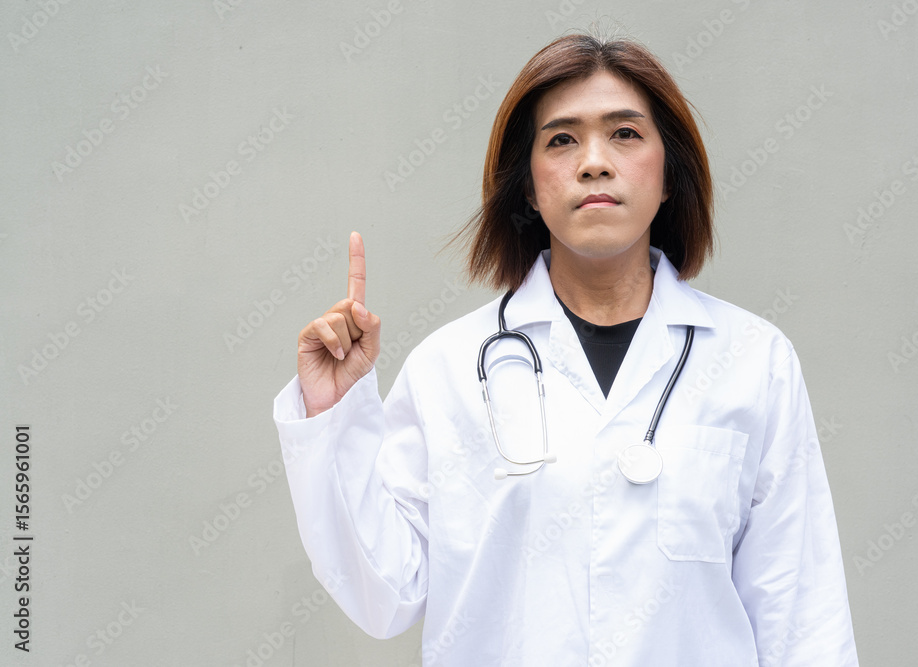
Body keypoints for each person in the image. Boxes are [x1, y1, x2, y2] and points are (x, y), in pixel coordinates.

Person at [273, 32, 860, 666]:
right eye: (561, 140)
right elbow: (386, 593)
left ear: (669, 174)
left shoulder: (753, 360)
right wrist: (331, 414)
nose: (594, 163)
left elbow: (802, 618)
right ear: (528, 187)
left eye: (626, 134)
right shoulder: (450, 368)